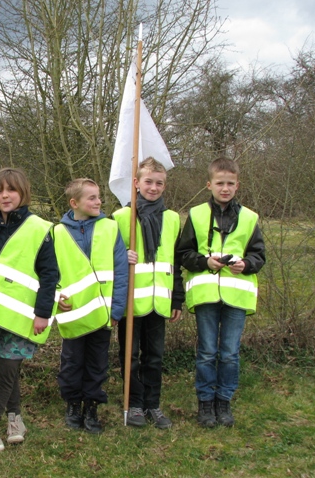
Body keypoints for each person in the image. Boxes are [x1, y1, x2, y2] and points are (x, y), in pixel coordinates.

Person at [178, 157, 265, 427]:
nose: (224, 188)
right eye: (220, 183)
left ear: (237, 185)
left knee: (229, 353)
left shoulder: (250, 218)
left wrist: (246, 264)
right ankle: (205, 403)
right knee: (206, 352)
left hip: (236, 296)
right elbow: (183, 253)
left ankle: (223, 402)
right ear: (209, 185)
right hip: (206, 295)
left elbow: (259, 256)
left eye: (230, 183)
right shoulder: (196, 215)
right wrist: (205, 262)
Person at [0, 168, 59, 452]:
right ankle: (16, 420)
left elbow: (50, 275)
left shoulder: (39, 227)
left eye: (11, 190)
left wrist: (43, 314)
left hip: (23, 313)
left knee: (7, 370)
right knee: (7, 369)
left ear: (23, 193)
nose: (4, 195)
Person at [112, 157, 184, 429]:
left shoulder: (173, 218)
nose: (153, 188)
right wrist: (121, 256)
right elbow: (106, 259)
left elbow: (175, 262)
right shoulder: (121, 217)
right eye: (148, 182)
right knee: (129, 355)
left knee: (154, 355)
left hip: (160, 301)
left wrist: (177, 298)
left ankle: (153, 404)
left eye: (159, 183)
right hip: (131, 301)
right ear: (136, 183)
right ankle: (135, 403)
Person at [54, 178, 129, 434]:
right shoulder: (57, 233)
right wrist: (54, 300)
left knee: (97, 364)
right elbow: (49, 273)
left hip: (103, 314)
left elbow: (120, 271)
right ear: (74, 203)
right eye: (92, 198)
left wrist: (117, 308)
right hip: (73, 313)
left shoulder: (110, 227)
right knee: (72, 363)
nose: (98, 202)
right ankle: (73, 404)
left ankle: (92, 406)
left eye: (99, 197)